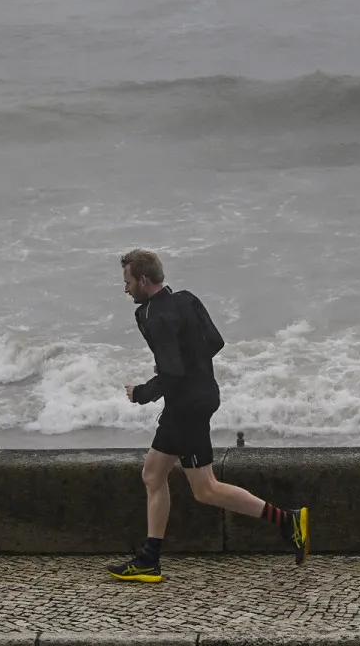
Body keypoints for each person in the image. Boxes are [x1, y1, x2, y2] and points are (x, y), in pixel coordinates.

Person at [105, 248, 309, 583]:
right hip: (202, 396)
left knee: (178, 482)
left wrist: (139, 393)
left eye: (127, 281)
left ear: (143, 279)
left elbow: (171, 375)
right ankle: (286, 522)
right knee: (179, 482)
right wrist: (181, 361)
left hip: (185, 407)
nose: (125, 289)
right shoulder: (187, 299)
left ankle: (150, 560)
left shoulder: (151, 315)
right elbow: (214, 341)